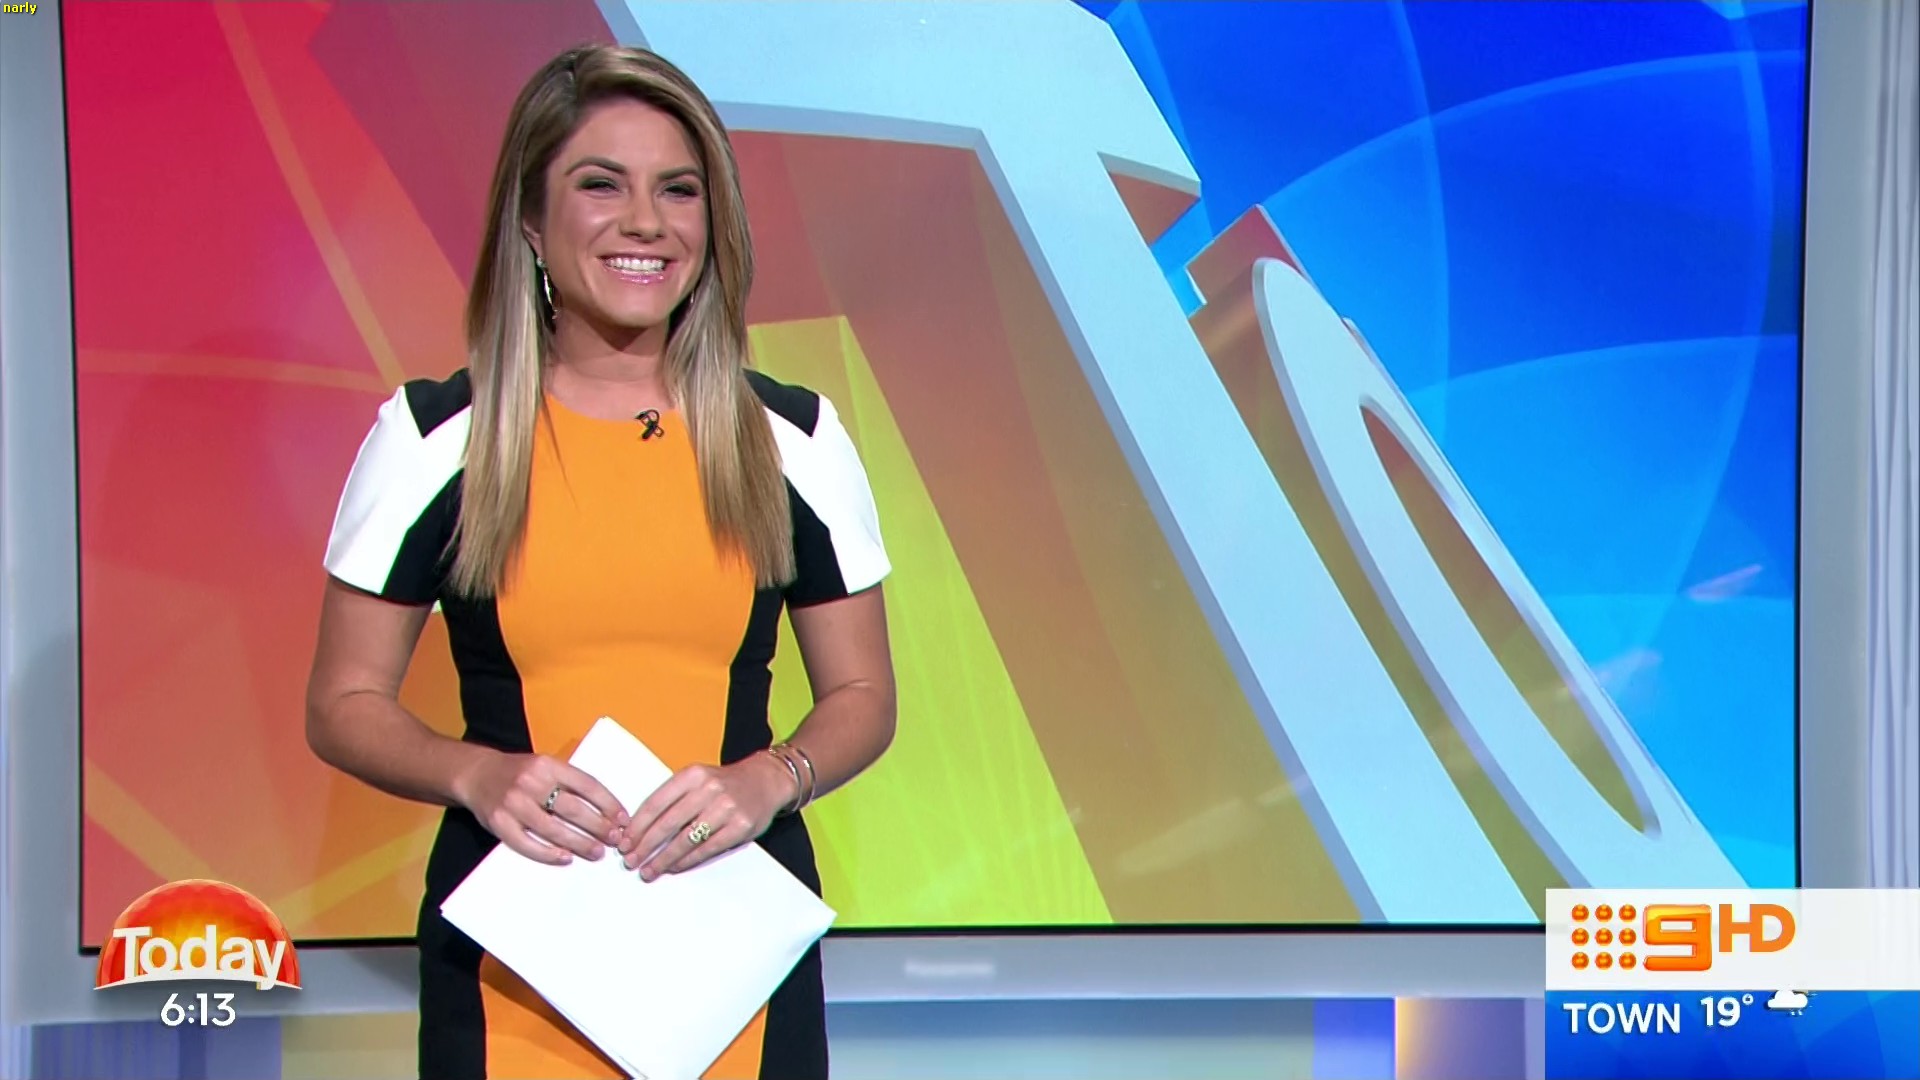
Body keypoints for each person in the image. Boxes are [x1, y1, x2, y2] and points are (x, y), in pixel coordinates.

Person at [304, 42, 896, 1080]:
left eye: (679, 190)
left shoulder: (791, 439)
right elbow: (343, 703)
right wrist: (475, 774)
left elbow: (863, 695)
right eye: (601, 185)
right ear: (531, 221)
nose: (645, 222)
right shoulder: (438, 438)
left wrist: (771, 780)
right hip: (515, 965)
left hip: (732, 957)